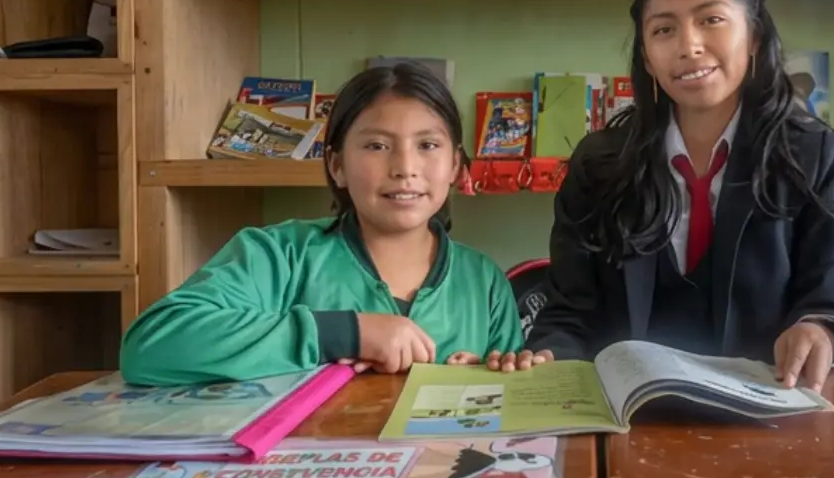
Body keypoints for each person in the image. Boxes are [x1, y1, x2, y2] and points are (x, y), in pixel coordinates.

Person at [524, 0, 834, 391]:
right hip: (627, 416)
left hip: (767, 413)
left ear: (755, 37)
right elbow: (569, 313)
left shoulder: (814, 156)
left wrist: (819, 330)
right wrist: (548, 353)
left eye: (711, 20)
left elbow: (833, 306)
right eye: (664, 29)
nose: (688, 46)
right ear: (647, 57)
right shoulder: (599, 165)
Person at [119, 62, 537, 385]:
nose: (405, 168)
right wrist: (341, 333)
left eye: (428, 145)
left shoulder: (483, 281)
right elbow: (151, 346)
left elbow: (506, 402)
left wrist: (494, 371)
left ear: (455, 166)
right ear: (337, 165)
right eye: (377, 145)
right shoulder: (279, 255)